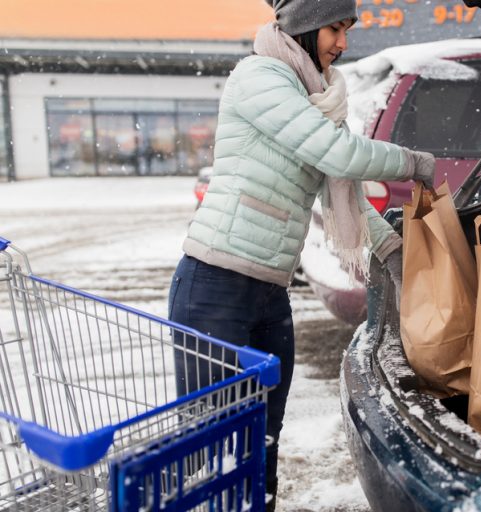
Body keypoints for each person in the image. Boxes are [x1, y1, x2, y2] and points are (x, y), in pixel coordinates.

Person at [167, 0, 435, 509]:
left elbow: (340, 192)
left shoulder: (316, 94)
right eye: (336, 28)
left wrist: (391, 250)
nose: (343, 43)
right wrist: (413, 162)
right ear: (306, 25)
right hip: (213, 287)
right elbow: (336, 155)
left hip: (269, 291)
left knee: (263, 436)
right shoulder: (259, 78)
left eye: (347, 30)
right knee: (210, 448)